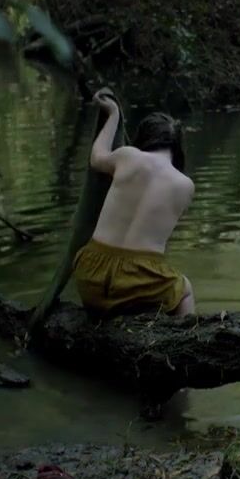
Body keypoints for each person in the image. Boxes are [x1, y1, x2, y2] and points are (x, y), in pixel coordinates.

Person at [71, 89, 196, 317]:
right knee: (184, 289)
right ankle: (187, 334)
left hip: (90, 274)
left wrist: (113, 115)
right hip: (137, 287)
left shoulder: (127, 156)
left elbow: (96, 157)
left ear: (143, 138)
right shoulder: (184, 185)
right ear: (178, 149)